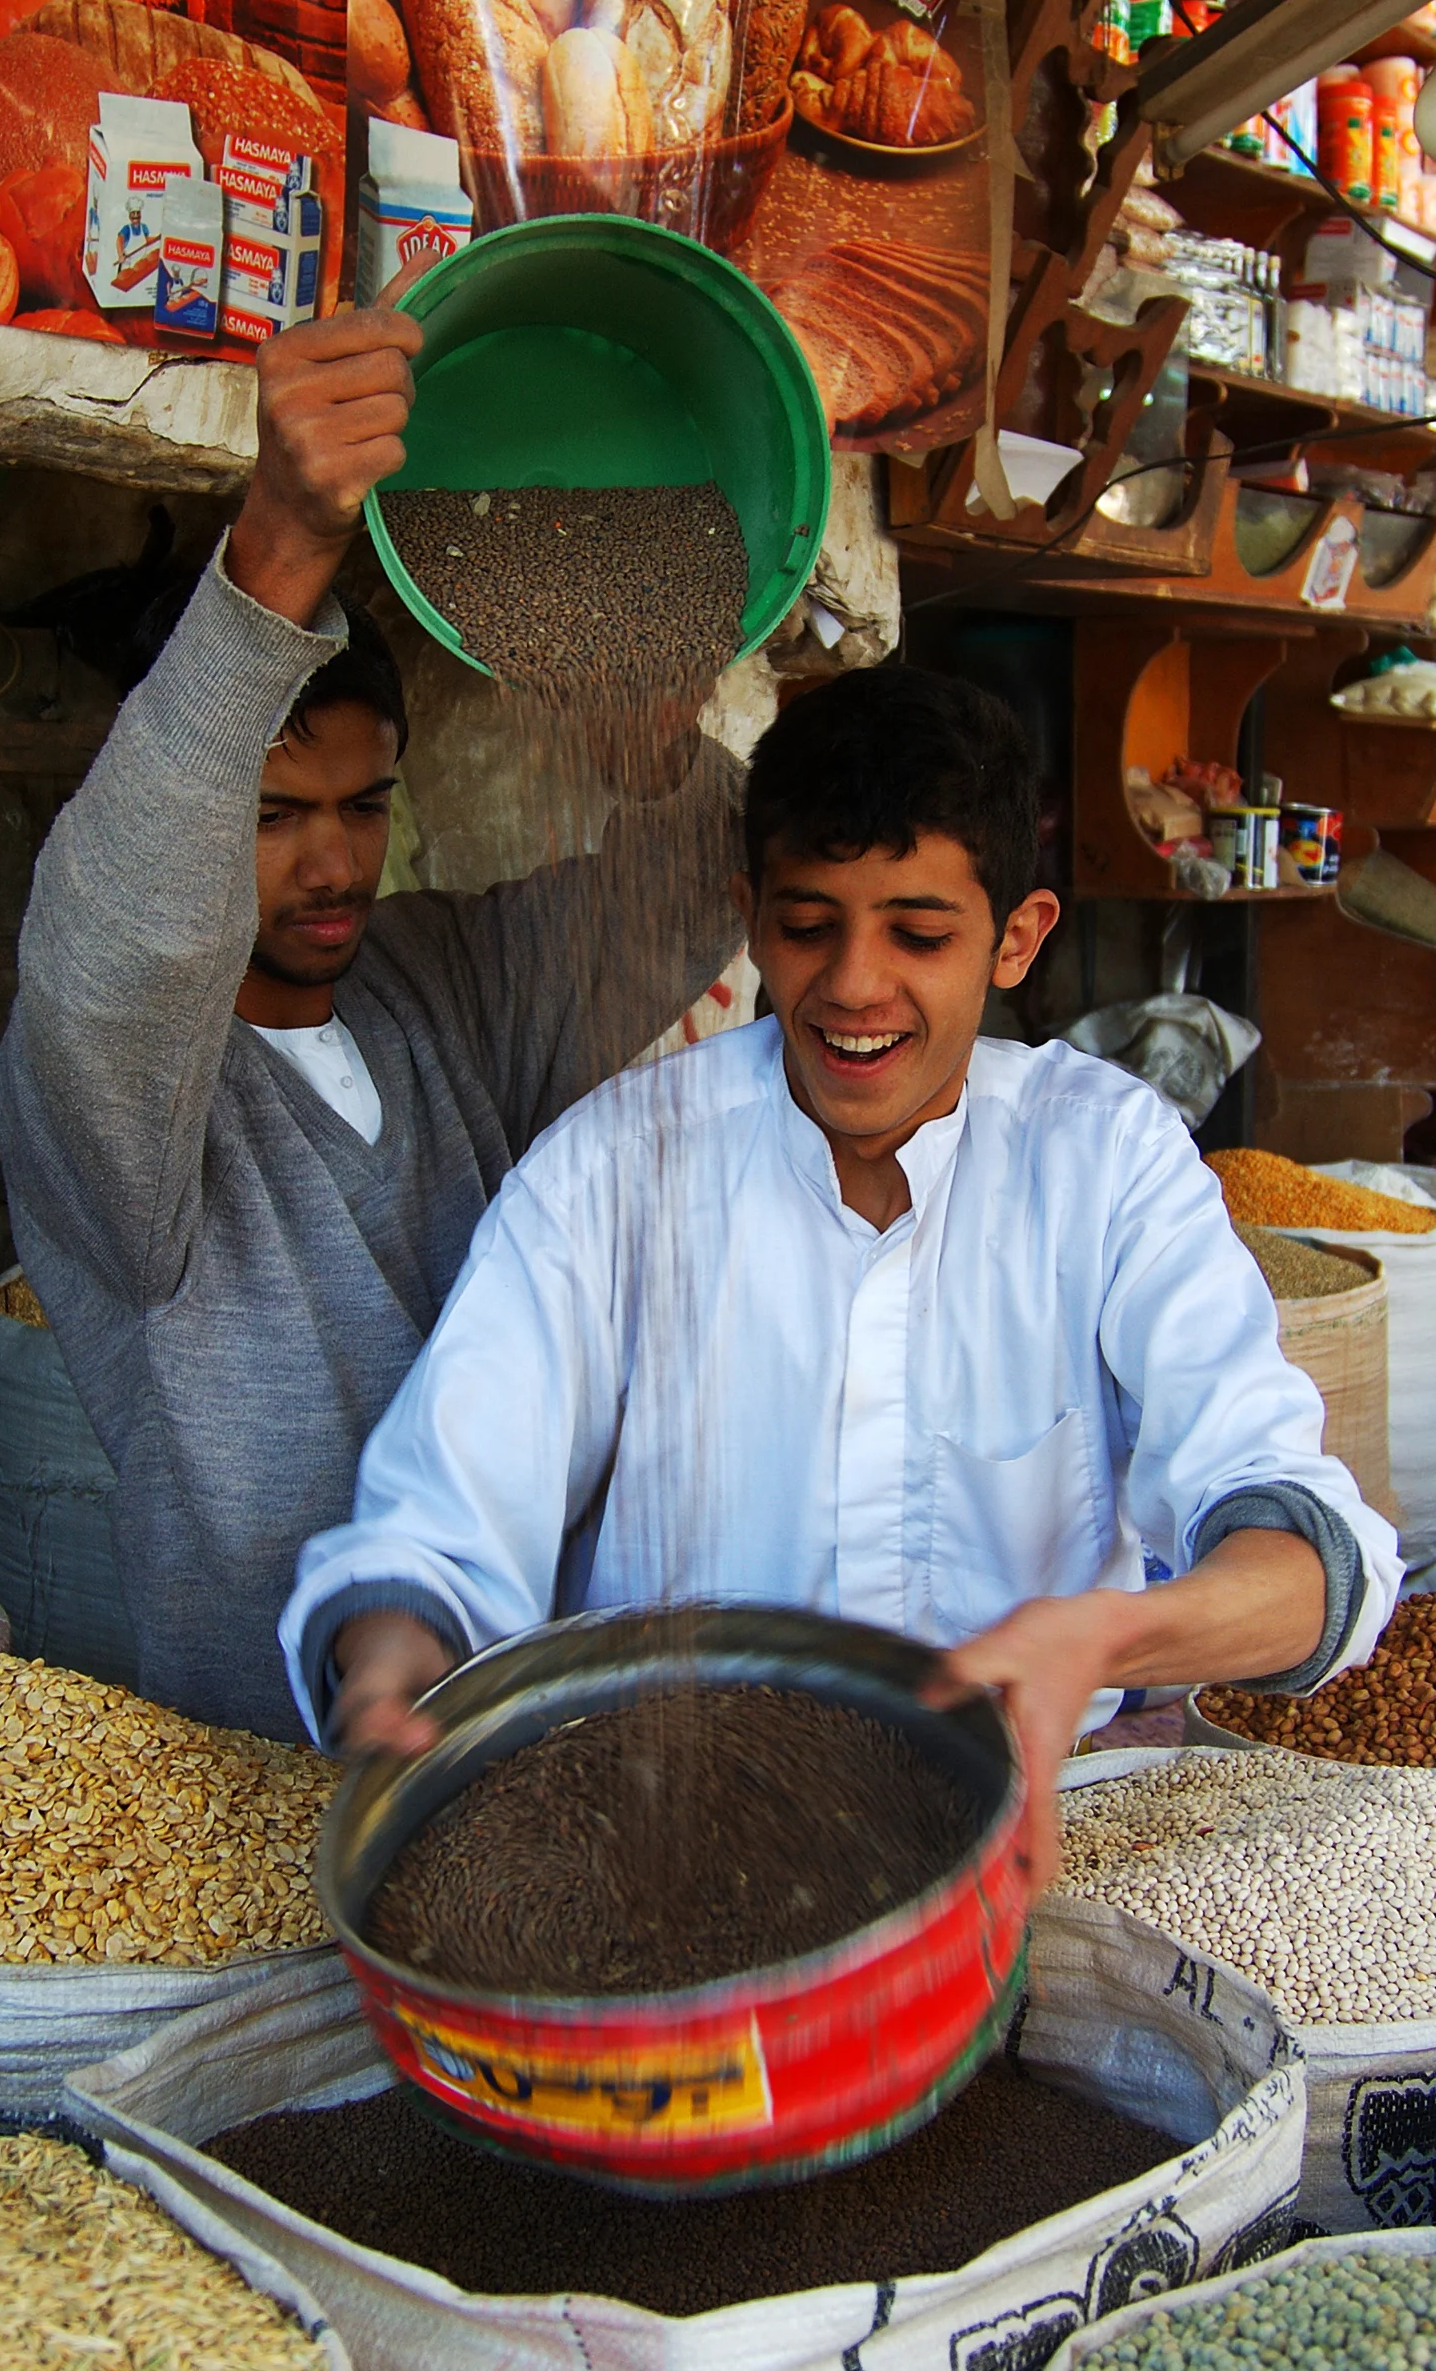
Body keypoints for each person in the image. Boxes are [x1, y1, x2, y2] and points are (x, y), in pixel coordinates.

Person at [280, 666, 1402, 1882]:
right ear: (749, 915)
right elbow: (439, 1523)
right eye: (810, 926)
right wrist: (393, 1659)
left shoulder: (1105, 1161)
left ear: (1017, 938)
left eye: (919, 934)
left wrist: (1110, 1638)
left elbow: (1303, 1541)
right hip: (659, 1840)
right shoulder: (615, 1168)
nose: (855, 984)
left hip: (1022, 1829)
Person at [0, 291, 743, 1737]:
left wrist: (649, 740)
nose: (334, 862)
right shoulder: (112, 1094)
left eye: (363, 805)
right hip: (278, 1747)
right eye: (273, 816)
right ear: (187, 811)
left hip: (510, 1711)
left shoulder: (437, 982)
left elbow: (694, 884)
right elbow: (118, 940)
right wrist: (279, 543)